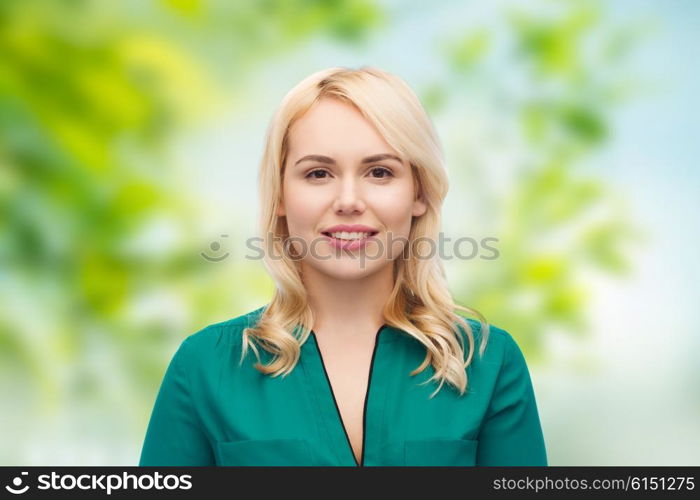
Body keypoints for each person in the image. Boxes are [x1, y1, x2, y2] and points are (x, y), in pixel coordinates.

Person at [139, 66, 548, 466]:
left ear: (418, 192)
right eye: (318, 173)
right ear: (279, 194)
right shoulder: (204, 367)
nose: (348, 200)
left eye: (380, 172)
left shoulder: (488, 363)